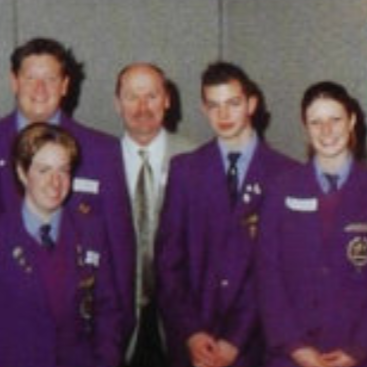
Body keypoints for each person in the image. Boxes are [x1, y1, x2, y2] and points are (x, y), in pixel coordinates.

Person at [0, 37, 136, 360]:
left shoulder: (102, 151)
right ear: (13, 81)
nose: (39, 88)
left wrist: (111, 352)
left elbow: (119, 259)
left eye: (50, 79)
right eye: (30, 77)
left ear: (64, 86)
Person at [155, 60, 297, 367]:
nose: (223, 115)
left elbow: (280, 274)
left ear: (252, 104)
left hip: (256, 344)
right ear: (204, 109)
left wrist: (235, 339)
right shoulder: (185, 170)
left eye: (233, 103)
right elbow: (168, 264)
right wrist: (191, 333)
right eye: (214, 105)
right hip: (195, 346)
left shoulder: (285, 175)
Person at [257, 81, 367, 367]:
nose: (326, 131)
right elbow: (268, 276)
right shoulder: (280, 189)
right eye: (315, 122)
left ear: (352, 120)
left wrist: (358, 349)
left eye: (335, 120)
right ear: (305, 127)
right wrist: (295, 346)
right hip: (290, 353)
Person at [0, 123, 121, 367]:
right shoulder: (4, 235)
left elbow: (108, 310)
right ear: (22, 173)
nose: (55, 182)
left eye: (63, 171)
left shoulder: (90, 232)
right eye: (44, 170)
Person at [114, 62, 195, 367]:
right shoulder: (96, 162)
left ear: (167, 100)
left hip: (180, 325)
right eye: (132, 96)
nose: (142, 106)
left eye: (151, 95)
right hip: (118, 324)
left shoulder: (195, 160)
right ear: (117, 103)